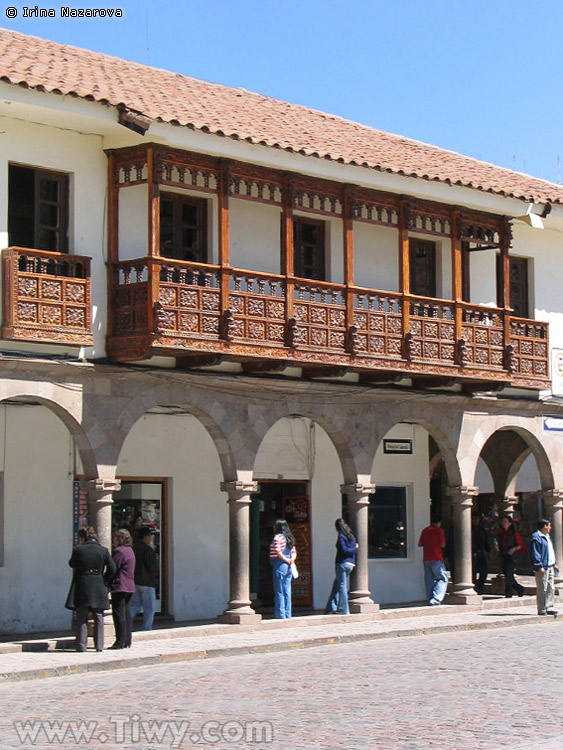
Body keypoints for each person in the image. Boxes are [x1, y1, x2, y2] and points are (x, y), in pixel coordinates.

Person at [65, 526, 116, 652]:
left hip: (83, 584)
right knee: (98, 615)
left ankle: (81, 645)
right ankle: (99, 645)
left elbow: (71, 563)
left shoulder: (78, 549)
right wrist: (105, 580)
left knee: (82, 616)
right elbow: (112, 568)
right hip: (98, 583)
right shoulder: (103, 550)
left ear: (83, 538)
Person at [324, 518, 358, 615]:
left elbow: (344, 550)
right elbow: (353, 548)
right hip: (351, 563)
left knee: (342, 585)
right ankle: (331, 607)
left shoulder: (341, 536)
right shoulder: (351, 537)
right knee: (337, 585)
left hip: (342, 563)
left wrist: (354, 549)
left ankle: (343, 608)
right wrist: (355, 548)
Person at [110, 528, 136, 649]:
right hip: (129, 585)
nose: (113, 541)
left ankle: (120, 640)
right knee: (126, 613)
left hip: (120, 585)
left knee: (119, 614)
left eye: (115, 538)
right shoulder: (130, 550)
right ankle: (127, 640)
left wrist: (107, 581)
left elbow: (113, 567)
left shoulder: (119, 551)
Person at [130, 526, 158, 630]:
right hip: (147, 582)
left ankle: (126, 622)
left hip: (135, 581)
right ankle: (147, 627)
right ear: (145, 537)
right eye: (149, 537)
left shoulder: (134, 549)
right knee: (149, 607)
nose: (150, 539)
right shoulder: (148, 550)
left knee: (134, 605)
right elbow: (152, 567)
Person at [529, 518, 558, 616]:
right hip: (542, 567)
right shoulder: (536, 537)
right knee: (542, 588)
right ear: (545, 526)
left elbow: (549, 551)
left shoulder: (547, 536)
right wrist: (539, 565)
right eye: (549, 525)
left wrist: (554, 564)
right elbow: (535, 553)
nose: (550, 527)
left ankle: (549, 606)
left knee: (551, 587)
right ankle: (541, 608)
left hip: (549, 565)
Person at [269, 519, 297, 619]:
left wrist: (285, 560)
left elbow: (278, 552)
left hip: (280, 565)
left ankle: (280, 614)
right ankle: (288, 613)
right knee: (287, 590)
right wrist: (291, 561)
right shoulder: (289, 538)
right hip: (289, 565)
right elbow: (293, 551)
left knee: (279, 591)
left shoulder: (277, 538)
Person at [418, 515, 448, 606]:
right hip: (436, 558)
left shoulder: (425, 530)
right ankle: (436, 598)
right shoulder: (439, 531)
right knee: (442, 578)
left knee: (429, 579)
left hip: (426, 558)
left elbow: (420, 543)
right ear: (439, 523)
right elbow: (442, 544)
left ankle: (430, 598)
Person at [496, 515, 526, 598]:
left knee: (509, 574)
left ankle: (508, 593)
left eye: (505, 522)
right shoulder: (501, 533)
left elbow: (521, 545)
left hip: (512, 556)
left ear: (509, 523)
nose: (503, 524)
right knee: (507, 574)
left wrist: (513, 549)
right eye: (503, 522)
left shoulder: (514, 533)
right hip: (504, 555)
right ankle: (519, 588)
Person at [471, 514, 490, 595]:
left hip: (481, 551)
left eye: (477, 519)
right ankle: (476, 588)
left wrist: (488, 550)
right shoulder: (469, 528)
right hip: (473, 552)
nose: (475, 520)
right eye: (474, 519)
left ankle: (480, 587)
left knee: (484, 572)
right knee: (473, 572)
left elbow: (486, 540)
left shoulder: (481, 529)